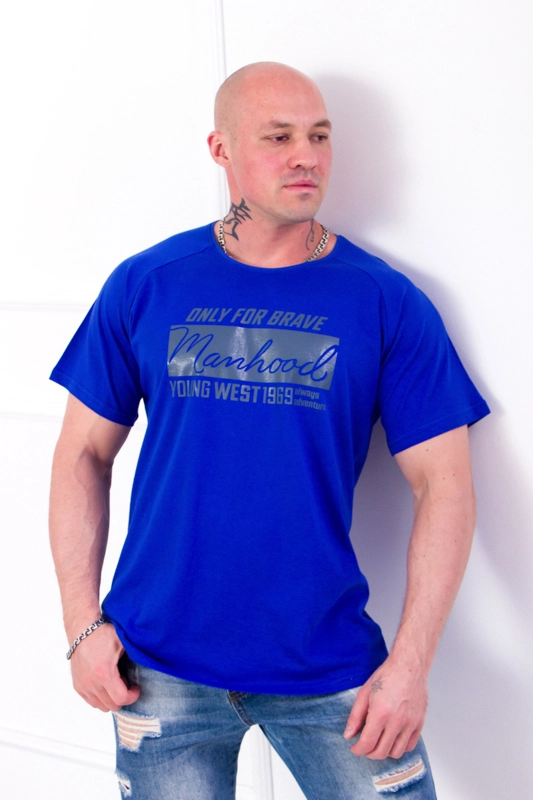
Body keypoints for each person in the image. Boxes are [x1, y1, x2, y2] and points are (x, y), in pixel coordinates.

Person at [49, 62, 489, 799]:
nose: (305, 156)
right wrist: (81, 627)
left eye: (319, 136)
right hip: (154, 669)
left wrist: (410, 666)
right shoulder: (148, 283)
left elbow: (444, 485)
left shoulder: (384, 299)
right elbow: (81, 454)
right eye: (278, 137)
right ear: (221, 149)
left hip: (328, 668)